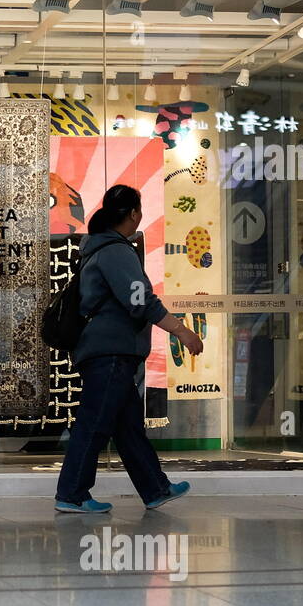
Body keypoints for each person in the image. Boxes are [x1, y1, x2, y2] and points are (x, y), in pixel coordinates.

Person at [55, 184, 203, 514]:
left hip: (107, 351)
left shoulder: (100, 248)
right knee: (94, 423)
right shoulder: (115, 251)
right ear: (134, 213)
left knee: (128, 426)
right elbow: (140, 302)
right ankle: (72, 493)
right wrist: (182, 332)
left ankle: (155, 488)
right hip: (111, 352)